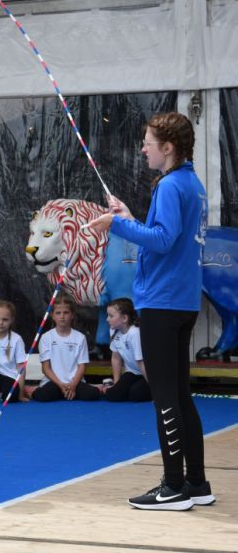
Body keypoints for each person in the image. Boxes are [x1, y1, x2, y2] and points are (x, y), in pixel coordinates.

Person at [88, 112, 213, 510]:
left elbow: (160, 241)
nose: (142, 149)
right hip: (181, 300)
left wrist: (115, 225)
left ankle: (173, 487)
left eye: (148, 142)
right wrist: (128, 218)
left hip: (163, 302)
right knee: (179, 394)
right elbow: (166, 237)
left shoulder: (171, 185)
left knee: (165, 398)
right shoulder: (190, 183)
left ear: (168, 148)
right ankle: (197, 483)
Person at [30, 294, 100, 402]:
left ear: (72, 315)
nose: (62, 316)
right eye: (58, 313)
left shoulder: (80, 338)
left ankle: (69, 392)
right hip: (54, 382)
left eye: (66, 313)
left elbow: (82, 366)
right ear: (53, 315)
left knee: (93, 395)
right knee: (43, 396)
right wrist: (61, 385)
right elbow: (46, 368)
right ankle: (31, 390)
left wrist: (73, 385)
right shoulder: (46, 337)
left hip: (74, 382)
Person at [104, 298, 151, 403]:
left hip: (148, 373)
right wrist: (117, 383)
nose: (107, 319)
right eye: (108, 315)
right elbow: (116, 358)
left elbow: (141, 362)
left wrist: (153, 387)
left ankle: (156, 388)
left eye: (111, 316)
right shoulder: (113, 330)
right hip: (133, 373)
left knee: (136, 394)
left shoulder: (134, 333)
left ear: (124, 318)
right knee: (113, 395)